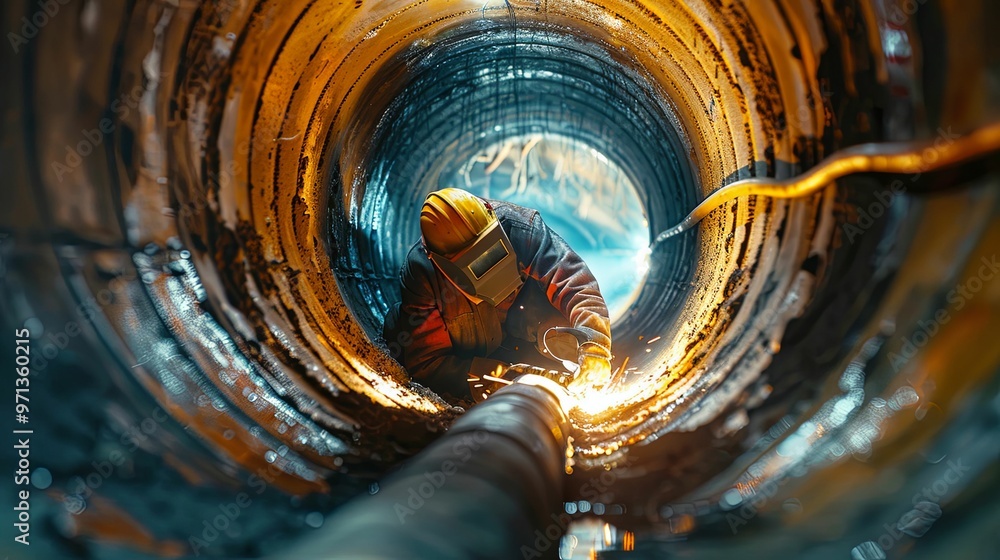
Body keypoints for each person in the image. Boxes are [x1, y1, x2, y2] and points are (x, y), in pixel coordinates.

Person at [382, 188, 613, 404]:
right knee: (400, 335)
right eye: (476, 266)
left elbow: (575, 284)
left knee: (566, 331)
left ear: (491, 215)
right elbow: (428, 363)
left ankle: (578, 366)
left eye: (493, 252)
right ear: (439, 262)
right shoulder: (423, 273)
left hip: (528, 333)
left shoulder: (520, 229)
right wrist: (503, 377)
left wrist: (594, 343)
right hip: (478, 354)